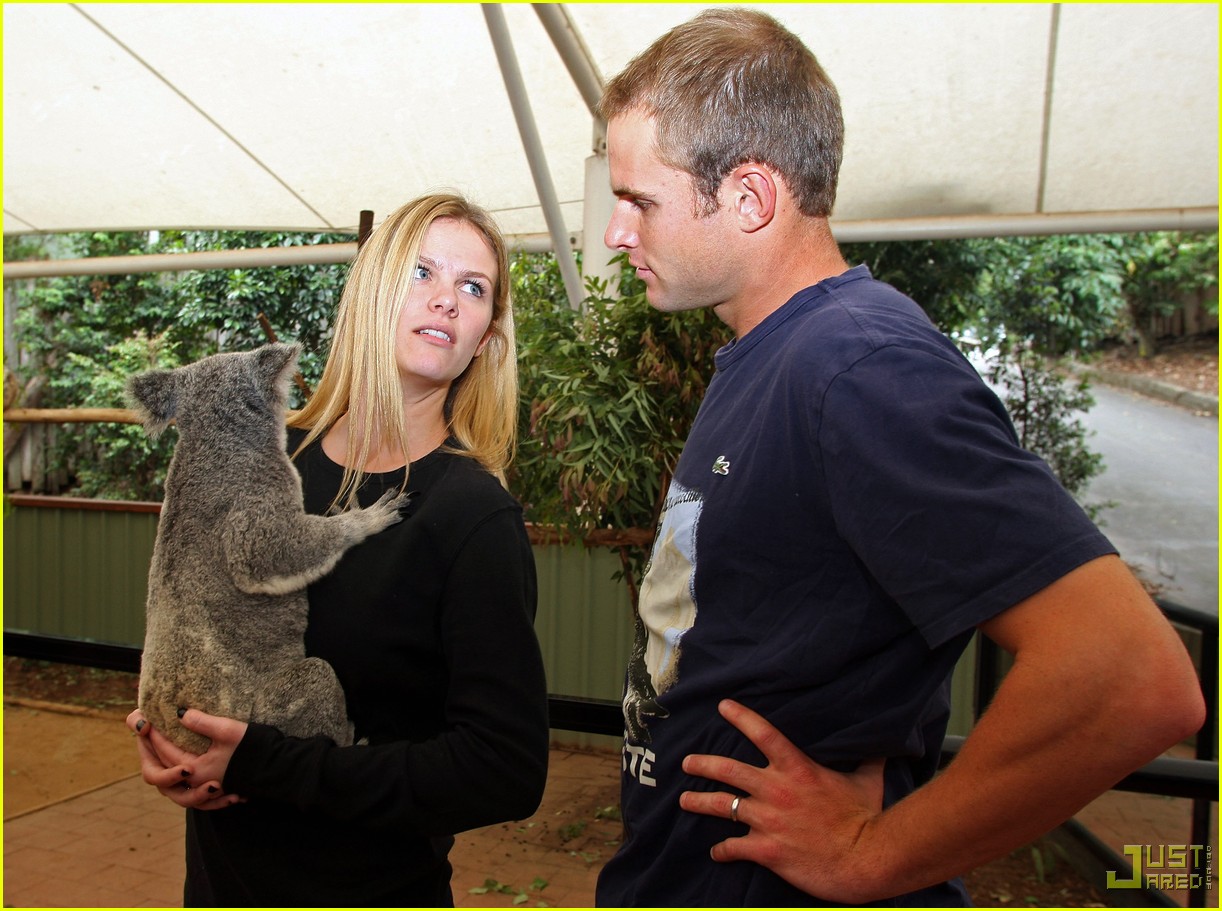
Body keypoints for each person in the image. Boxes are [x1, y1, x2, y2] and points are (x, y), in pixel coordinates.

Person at [593, 9, 1205, 907]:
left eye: (639, 199)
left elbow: (1131, 680)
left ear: (751, 197)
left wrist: (872, 854)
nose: (615, 231)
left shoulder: (858, 366)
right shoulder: (773, 354)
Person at [127, 193, 550, 906]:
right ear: (369, 292)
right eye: (422, 272)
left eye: (471, 288)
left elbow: (504, 768)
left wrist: (270, 766)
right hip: (221, 885)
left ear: (485, 339)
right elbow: (186, 618)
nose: (446, 299)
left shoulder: (471, 515)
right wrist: (167, 736)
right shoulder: (267, 456)